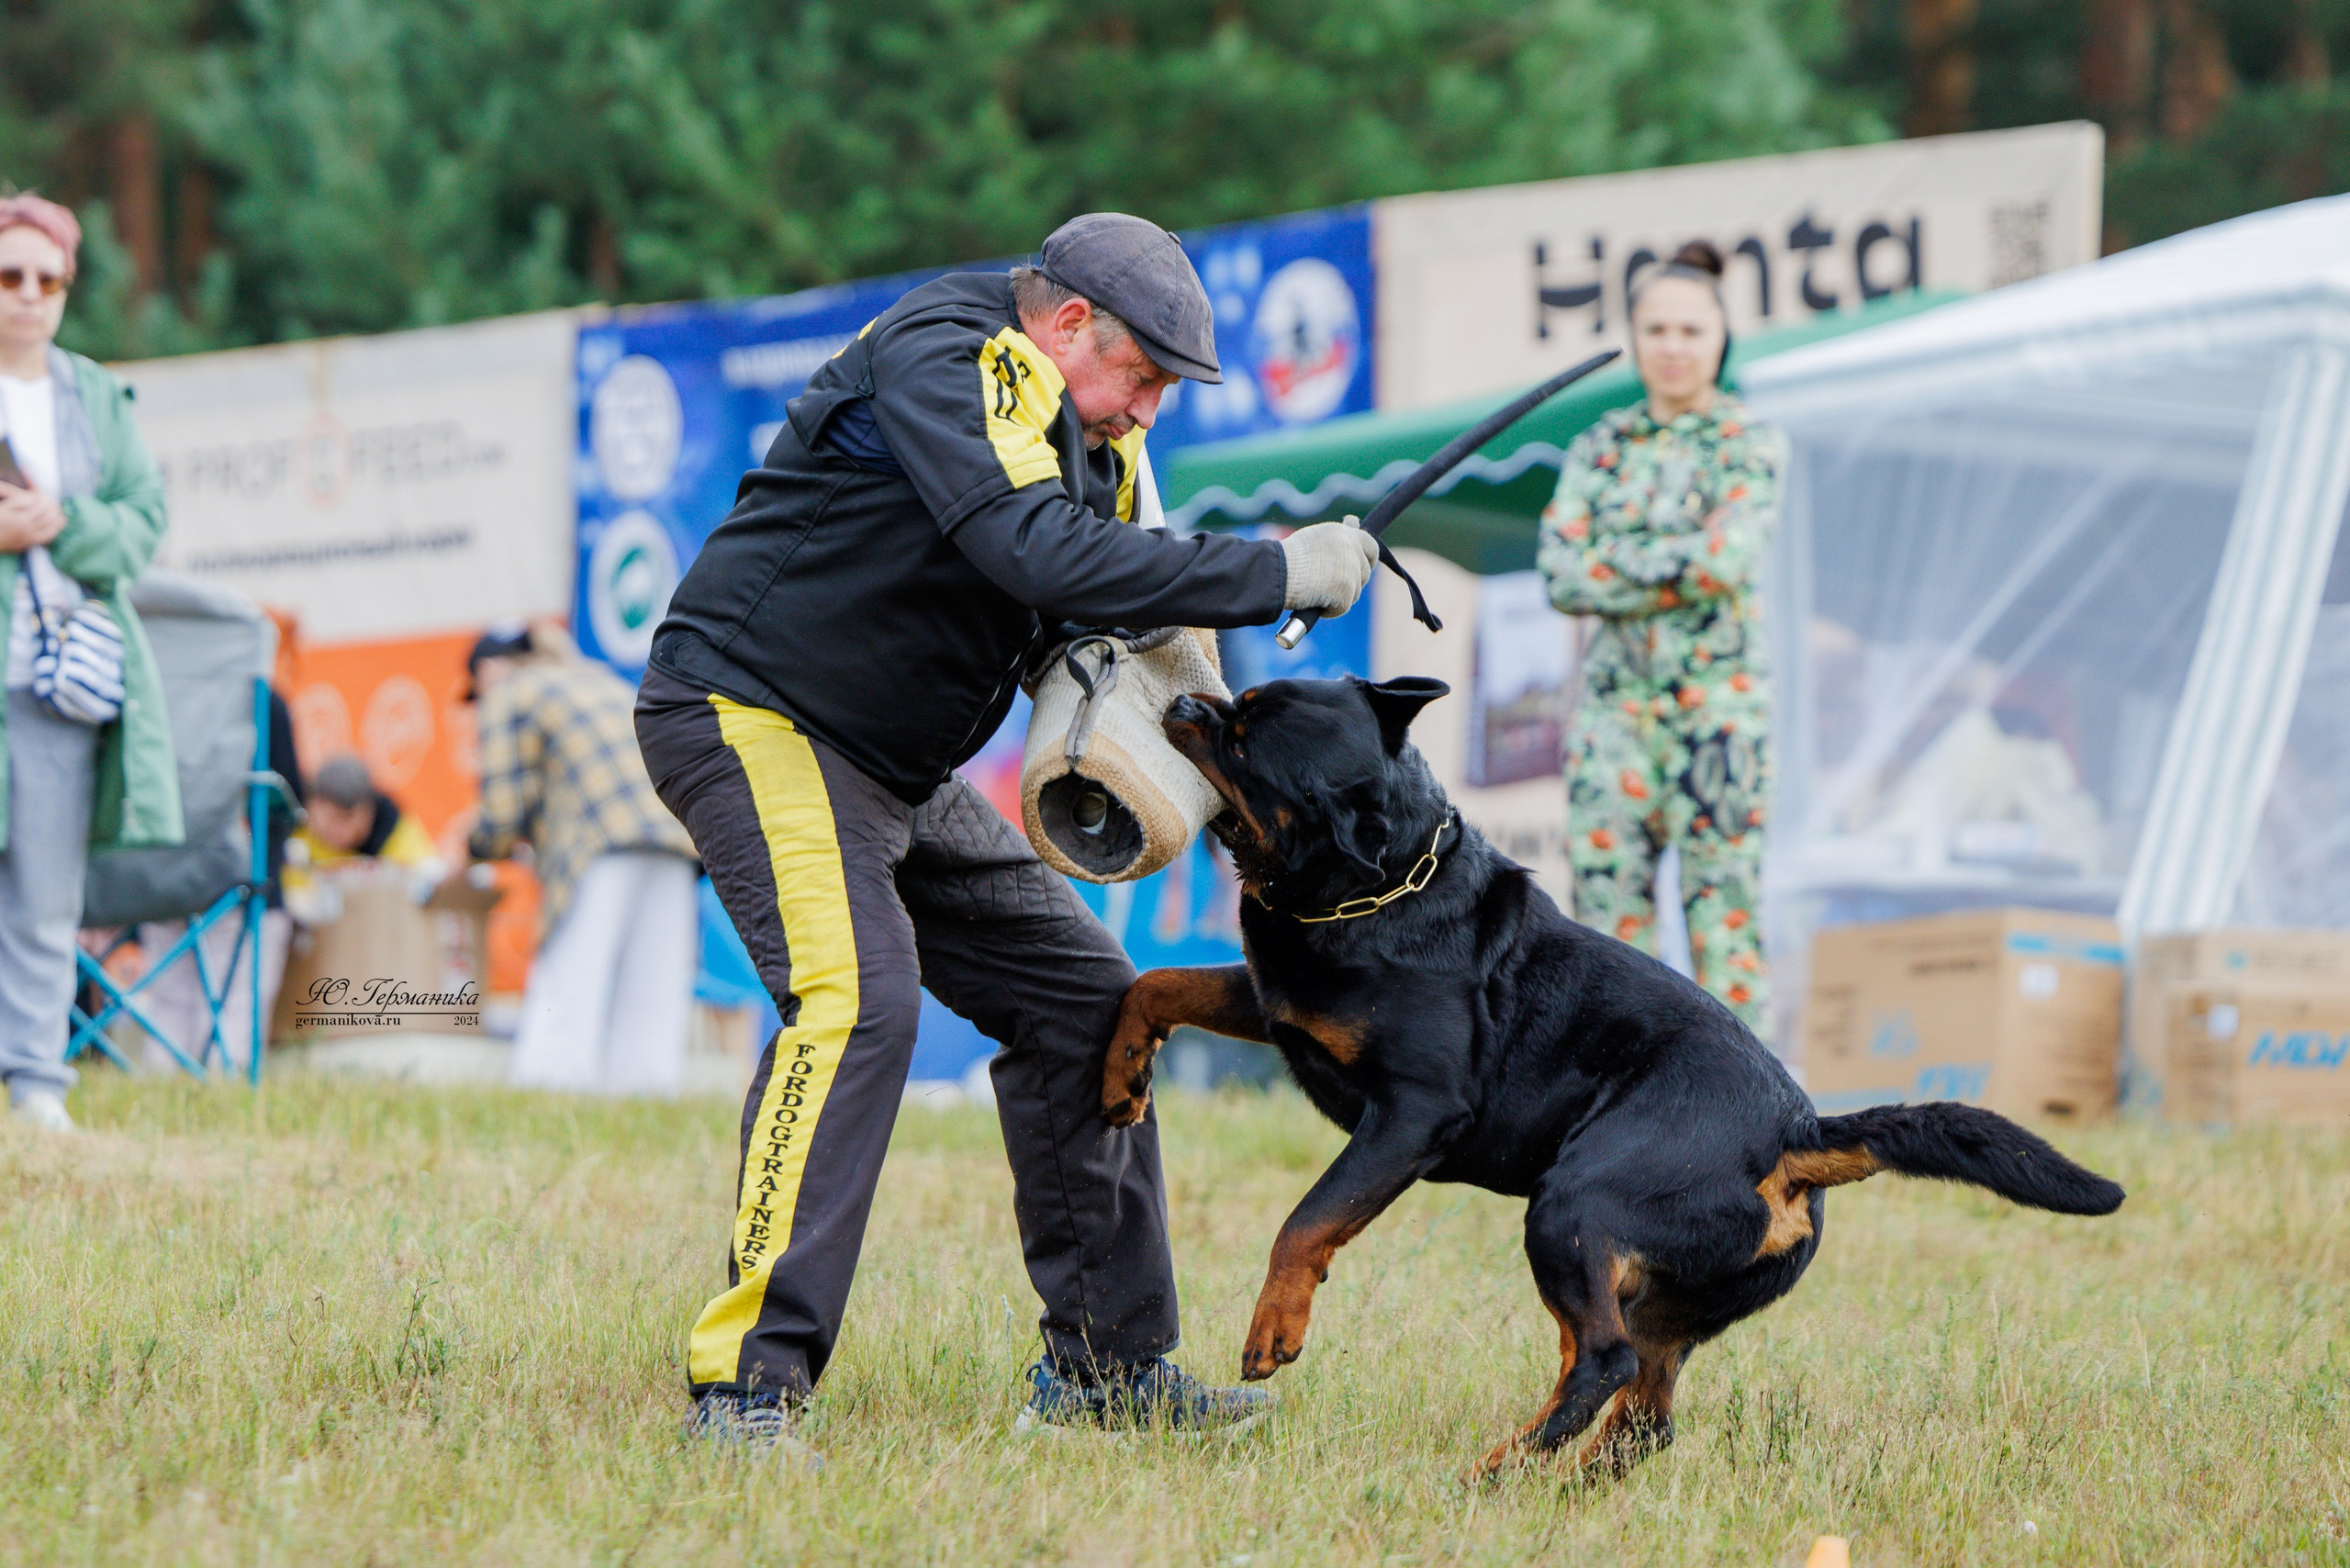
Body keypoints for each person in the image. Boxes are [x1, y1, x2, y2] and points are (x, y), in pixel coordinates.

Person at [637, 212, 1379, 1453]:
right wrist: (1273, 570)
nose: (1143, 412)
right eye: (1139, 376)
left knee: (1096, 1004)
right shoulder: (951, 345)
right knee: (859, 1003)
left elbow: (1105, 597)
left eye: (1161, 394)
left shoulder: (1094, 439)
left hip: (895, 766)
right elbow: (1031, 548)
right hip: (753, 714)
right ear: (1068, 320)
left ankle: (1105, 1375)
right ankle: (748, 1392)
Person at [1537, 239, 1787, 1037]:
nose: (1674, 347)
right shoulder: (1602, 446)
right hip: (1614, 717)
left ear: (1721, 337)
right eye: (1658, 331)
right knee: (1608, 930)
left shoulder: (1749, 442)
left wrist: (1620, 562)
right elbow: (1561, 575)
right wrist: (1676, 561)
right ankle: (1622, 1107)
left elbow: (1728, 559)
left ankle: (1758, 1123)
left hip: (1719, 714)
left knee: (1725, 924)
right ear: (1636, 339)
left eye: (1691, 330)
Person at [0, 194, 181, 1130]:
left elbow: (145, 520)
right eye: (10, 274)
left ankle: (35, 1083)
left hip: (57, 680)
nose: (28, 295)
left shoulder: (95, 395)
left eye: (48, 279)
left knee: (43, 891)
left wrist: (60, 523)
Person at [467, 621, 700, 1097]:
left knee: (570, 983)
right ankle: (644, 1106)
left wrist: (475, 847)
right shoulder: (601, 681)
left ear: (488, 670)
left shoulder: (512, 693)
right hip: (674, 839)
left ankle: (545, 1101)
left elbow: (503, 811)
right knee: (651, 998)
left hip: (599, 842)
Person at [294, 754, 440, 871]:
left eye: (347, 817)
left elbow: (424, 874)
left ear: (369, 810)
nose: (339, 829)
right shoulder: (297, 833)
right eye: (331, 818)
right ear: (312, 807)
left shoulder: (396, 833)